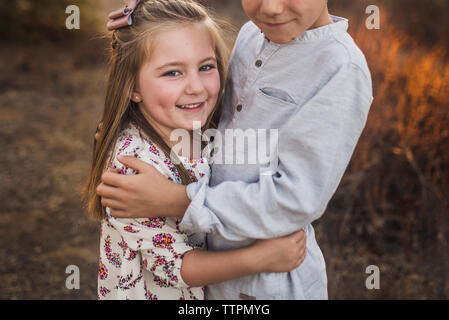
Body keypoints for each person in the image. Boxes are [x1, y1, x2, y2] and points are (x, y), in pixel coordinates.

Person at [97, 0, 374, 299]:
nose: (269, 8)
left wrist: (178, 200)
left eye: (206, 67)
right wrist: (148, 14)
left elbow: (296, 199)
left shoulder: (341, 69)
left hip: (265, 283)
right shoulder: (251, 34)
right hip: (209, 278)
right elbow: (220, 122)